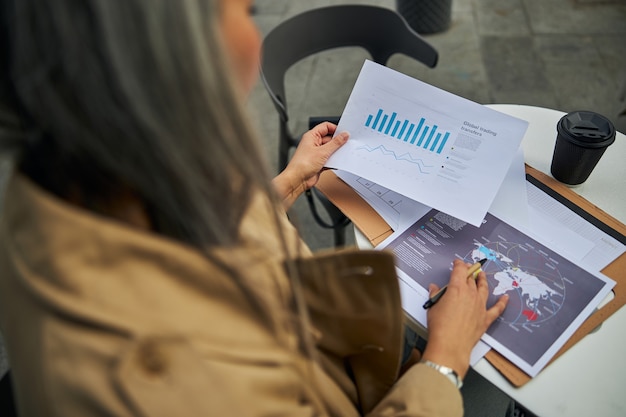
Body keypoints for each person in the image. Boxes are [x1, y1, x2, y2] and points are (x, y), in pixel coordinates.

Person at [0, 0, 508, 416]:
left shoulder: (74, 176)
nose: (253, 35)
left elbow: (196, 247)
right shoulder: (185, 387)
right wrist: (444, 360)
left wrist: (287, 183)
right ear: (165, 59)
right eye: (240, 10)